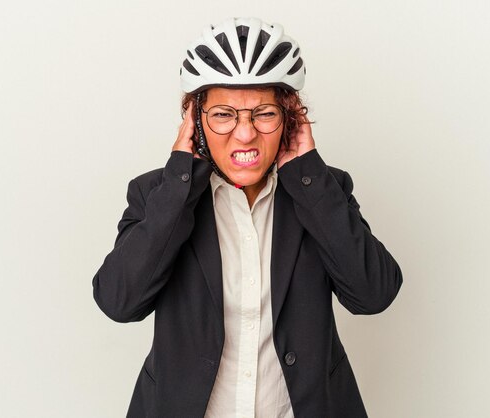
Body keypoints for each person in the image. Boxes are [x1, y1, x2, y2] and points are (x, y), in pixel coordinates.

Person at [92, 17, 402, 418]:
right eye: (223, 114)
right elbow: (119, 302)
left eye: (264, 114)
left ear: (289, 118)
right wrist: (180, 185)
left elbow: (373, 294)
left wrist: (309, 178)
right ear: (195, 122)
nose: (244, 134)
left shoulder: (324, 190)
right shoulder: (158, 194)